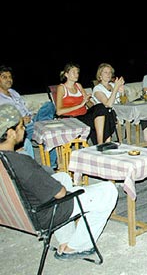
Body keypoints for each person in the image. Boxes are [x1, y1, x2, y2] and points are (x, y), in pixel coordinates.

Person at [0, 104, 118, 260]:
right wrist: (72, 191)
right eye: (21, 126)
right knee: (108, 190)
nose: (24, 129)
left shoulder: (6, 159)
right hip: (42, 214)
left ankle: (66, 239)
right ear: (10, 133)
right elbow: (60, 193)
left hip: (18, 211)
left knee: (63, 176)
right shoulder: (20, 162)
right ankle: (76, 247)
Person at [0, 65, 58, 166]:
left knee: (49, 105)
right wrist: (20, 120)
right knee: (47, 130)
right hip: (20, 127)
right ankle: (52, 165)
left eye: (10, 77)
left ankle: (43, 125)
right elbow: (4, 121)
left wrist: (32, 115)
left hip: (32, 120)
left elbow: (25, 108)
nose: (8, 80)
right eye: (4, 77)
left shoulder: (13, 93)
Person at [55, 63, 117, 145]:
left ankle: (102, 143)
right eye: (73, 72)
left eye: (77, 72)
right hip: (72, 118)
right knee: (102, 111)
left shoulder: (78, 86)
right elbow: (58, 111)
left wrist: (95, 107)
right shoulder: (62, 88)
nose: (76, 74)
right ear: (66, 74)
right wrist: (80, 105)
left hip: (84, 116)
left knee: (103, 109)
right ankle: (102, 144)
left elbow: (88, 103)